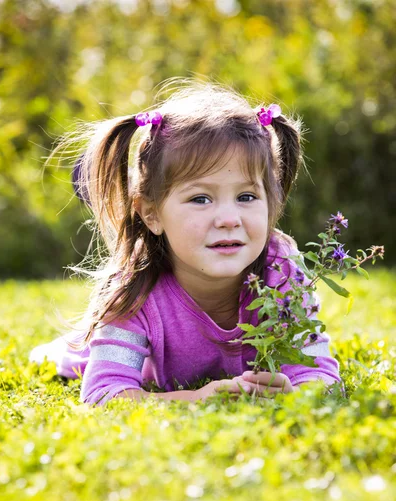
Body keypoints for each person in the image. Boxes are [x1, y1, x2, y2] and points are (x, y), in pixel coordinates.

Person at [30, 80, 340, 406]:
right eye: (201, 198)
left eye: (246, 196)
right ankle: (61, 350)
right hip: (137, 359)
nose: (228, 218)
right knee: (75, 357)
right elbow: (104, 396)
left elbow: (321, 377)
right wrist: (196, 398)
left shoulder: (282, 271)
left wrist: (299, 394)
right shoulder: (133, 289)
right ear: (152, 214)